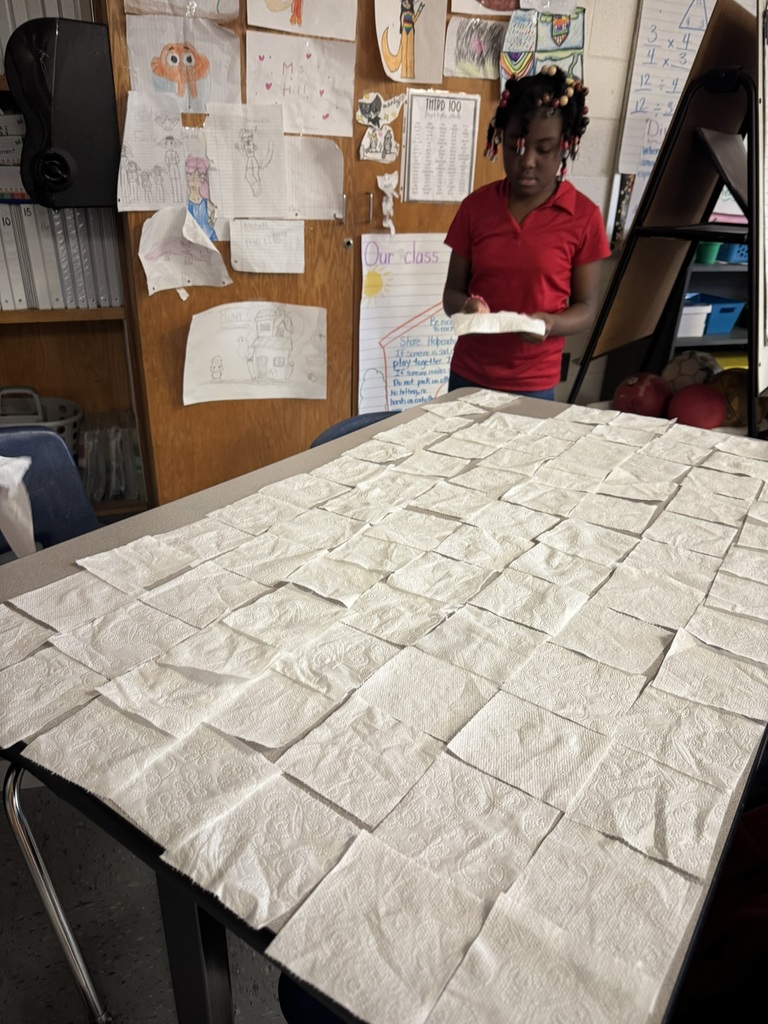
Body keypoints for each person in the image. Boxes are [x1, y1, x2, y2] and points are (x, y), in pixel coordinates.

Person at [443, 66, 611, 399]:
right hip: (469, 373)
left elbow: (586, 308)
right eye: (515, 147)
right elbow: (451, 294)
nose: (527, 161)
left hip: (533, 382)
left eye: (543, 149)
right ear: (500, 140)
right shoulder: (476, 208)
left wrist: (551, 324)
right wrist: (468, 308)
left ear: (565, 145)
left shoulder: (584, 217)